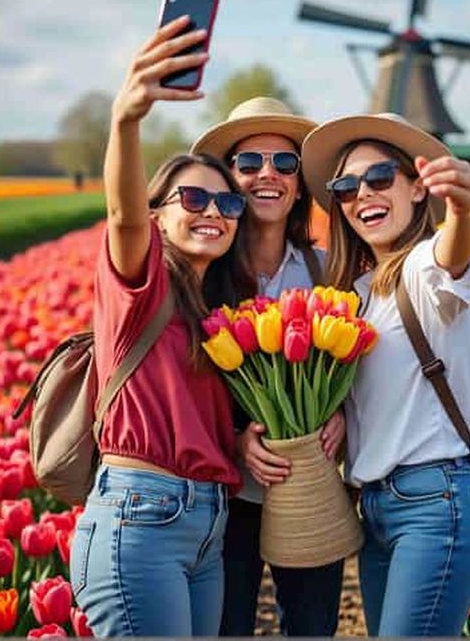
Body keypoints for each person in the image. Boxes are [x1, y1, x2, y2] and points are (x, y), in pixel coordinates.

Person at [69, 16, 257, 637]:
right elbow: (122, 213)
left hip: (207, 528)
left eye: (228, 203)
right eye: (194, 200)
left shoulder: (222, 313)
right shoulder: (140, 286)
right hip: (139, 520)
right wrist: (127, 119)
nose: (214, 213)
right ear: (159, 214)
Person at [300, 113, 470, 637]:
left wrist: (460, 209)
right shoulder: (359, 293)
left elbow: (451, 255)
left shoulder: (421, 267)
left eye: (380, 177)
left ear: (417, 189)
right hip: (379, 511)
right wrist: (344, 418)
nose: (362, 192)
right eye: (346, 186)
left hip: (438, 503)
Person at [190, 97, 347, 637]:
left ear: (301, 184)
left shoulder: (327, 271)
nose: (268, 175)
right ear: (229, 179)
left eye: (284, 164)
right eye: (249, 163)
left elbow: (359, 364)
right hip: (226, 495)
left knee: (311, 628)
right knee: (226, 628)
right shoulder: (201, 278)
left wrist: (342, 414)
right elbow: (182, 384)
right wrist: (235, 439)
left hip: (309, 487)